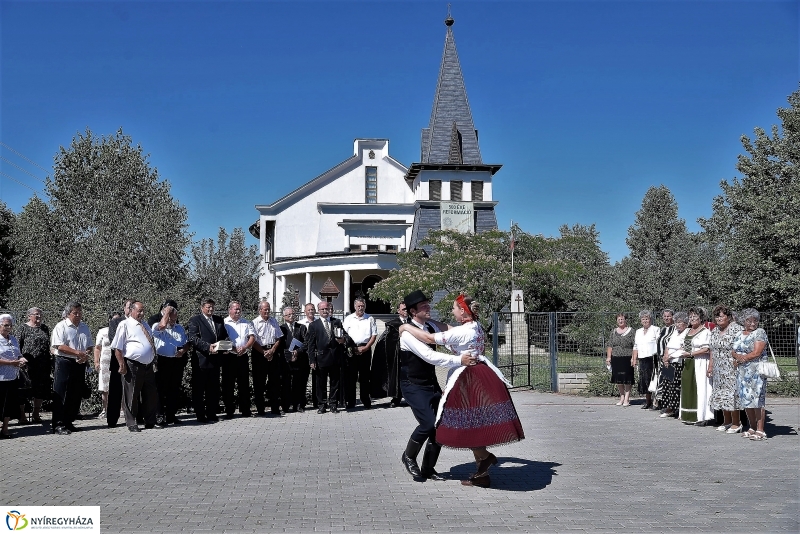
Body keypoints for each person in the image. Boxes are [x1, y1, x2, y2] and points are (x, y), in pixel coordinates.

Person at [400, 293, 524, 488]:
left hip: (460, 378)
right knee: (435, 423)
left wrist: (407, 323)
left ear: (464, 314)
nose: (429, 307)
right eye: (424, 306)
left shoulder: (432, 328)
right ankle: (408, 457)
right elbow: (430, 355)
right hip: (414, 384)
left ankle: (441, 468)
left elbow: (435, 335)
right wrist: (407, 327)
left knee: (460, 421)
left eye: (454, 309)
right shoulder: (409, 334)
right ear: (413, 311)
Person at [111, 301, 161, 432]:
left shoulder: (144, 324)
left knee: (151, 394)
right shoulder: (124, 324)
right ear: (132, 310)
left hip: (148, 365)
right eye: (139, 311)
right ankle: (132, 422)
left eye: (143, 310)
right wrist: (122, 364)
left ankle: (150, 421)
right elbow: (117, 347)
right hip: (132, 364)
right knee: (131, 394)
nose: (142, 313)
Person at [50, 301, 93, 435]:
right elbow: (59, 346)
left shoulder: (84, 327)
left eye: (80, 312)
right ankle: (58, 424)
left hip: (80, 362)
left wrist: (86, 355)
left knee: (75, 393)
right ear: (68, 314)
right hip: (64, 361)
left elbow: (90, 345)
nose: (79, 315)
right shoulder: (61, 326)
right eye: (76, 313)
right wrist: (77, 353)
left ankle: (69, 421)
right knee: (62, 393)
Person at [186, 298, 229, 423]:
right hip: (201, 360)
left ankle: (212, 413)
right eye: (208, 307)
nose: (210, 309)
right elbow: (193, 338)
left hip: (215, 360)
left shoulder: (218, 320)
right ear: (202, 307)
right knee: (199, 388)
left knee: (213, 388)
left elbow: (224, 335)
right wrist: (208, 347)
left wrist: (226, 345)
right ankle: (200, 415)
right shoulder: (195, 320)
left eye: (212, 307)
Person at [732, 308, 770, 440]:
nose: (753, 323)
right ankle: (752, 427)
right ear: (744, 321)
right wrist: (736, 357)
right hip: (742, 372)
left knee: (757, 400)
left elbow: (757, 352)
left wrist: (742, 359)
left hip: (756, 372)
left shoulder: (760, 332)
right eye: (749, 320)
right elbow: (733, 350)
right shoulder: (739, 334)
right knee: (746, 400)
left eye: (755, 320)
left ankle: (761, 430)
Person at [708, 305, 745, 433]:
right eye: (717, 316)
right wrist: (711, 365)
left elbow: (743, 346)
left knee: (732, 394)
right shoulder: (715, 331)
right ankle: (727, 421)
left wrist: (739, 359)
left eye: (721, 315)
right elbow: (712, 349)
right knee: (721, 394)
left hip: (732, 367)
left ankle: (737, 423)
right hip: (719, 368)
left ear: (728, 317)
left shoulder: (737, 329)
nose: (719, 318)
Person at [152, 305, 189, 425]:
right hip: (162, 361)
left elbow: (186, 343)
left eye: (175, 319)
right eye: (170, 319)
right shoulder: (158, 326)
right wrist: (166, 313)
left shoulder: (179, 328)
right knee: (160, 390)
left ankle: (171, 415)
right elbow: (162, 326)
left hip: (176, 361)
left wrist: (183, 351)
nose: (173, 322)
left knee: (173, 390)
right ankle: (159, 415)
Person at [306, 301, 345, 414]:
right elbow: (311, 344)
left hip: (335, 357)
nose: (324, 311)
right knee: (321, 383)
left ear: (329, 309)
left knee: (334, 382)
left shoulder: (336, 322)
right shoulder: (314, 325)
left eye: (326, 309)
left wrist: (343, 340)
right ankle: (322, 405)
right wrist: (312, 359)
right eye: (322, 309)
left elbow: (344, 335)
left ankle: (333, 404)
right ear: (318, 311)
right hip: (321, 358)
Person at [16, 307, 51, 424]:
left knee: (40, 389)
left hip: (42, 364)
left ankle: (36, 414)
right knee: (24, 390)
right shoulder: (23, 328)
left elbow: (48, 344)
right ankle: (22, 415)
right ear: (29, 316)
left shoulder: (44, 328)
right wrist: (19, 359)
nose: (39, 317)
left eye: (40, 314)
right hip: (27, 365)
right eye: (36, 314)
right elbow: (17, 346)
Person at [252, 300, 287, 416]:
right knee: (259, 383)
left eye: (268, 309)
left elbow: (279, 338)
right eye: (265, 309)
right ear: (260, 310)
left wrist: (272, 350)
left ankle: (275, 408)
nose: (267, 311)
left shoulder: (274, 321)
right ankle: (260, 409)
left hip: (272, 352)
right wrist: (263, 352)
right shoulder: (254, 323)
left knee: (275, 382)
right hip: (259, 353)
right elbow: (252, 341)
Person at [679, 307, 713, 425]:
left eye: (695, 316)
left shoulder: (705, 332)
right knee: (688, 388)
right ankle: (688, 415)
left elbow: (707, 348)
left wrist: (691, 353)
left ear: (701, 318)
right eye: (690, 316)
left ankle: (702, 417)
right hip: (688, 362)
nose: (692, 318)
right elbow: (683, 344)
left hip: (700, 362)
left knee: (700, 388)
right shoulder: (687, 331)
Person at [342, 297, 377, 410]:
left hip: (365, 350)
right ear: (355, 306)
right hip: (352, 350)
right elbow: (344, 335)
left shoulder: (370, 319)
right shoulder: (348, 319)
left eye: (362, 306)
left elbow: (374, 335)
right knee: (351, 377)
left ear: (365, 306)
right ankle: (351, 401)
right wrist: (352, 348)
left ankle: (365, 400)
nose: (360, 308)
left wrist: (366, 347)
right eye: (358, 306)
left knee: (365, 377)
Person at [222, 301, 256, 418]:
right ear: (229, 310)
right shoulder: (224, 323)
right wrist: (233, 348)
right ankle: (229, 410)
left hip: (243, 356)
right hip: (229, 356)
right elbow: (222, 339)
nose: (238, 311)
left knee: (244, 384)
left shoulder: (246, 322)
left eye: (239, 309)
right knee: (228, 384)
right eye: (235, 309)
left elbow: (252, 337)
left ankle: (245, 409)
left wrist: (245, 347)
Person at [370, 301, 407, 407]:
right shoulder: (392, 324)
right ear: (398, 311)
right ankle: (396, 398)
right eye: (403, 309)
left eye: (407, 309)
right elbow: (386, 341)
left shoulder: (413, 323)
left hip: (411, 357)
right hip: (397, 356)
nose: (406, 311)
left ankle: (410, 398)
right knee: (396, 376)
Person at [106, 298, 133, 428]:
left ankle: (135, 417)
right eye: (129, 307)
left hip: (135, 363)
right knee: (116, 391)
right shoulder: (115, 322)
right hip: (118, 361)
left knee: (134, 391)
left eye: (133, 307)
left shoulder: (140, 323)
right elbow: (113, 341)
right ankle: (112, 420)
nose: (130, 309)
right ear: (124, 308)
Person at [0, 314, 27, 439]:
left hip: (12, 377)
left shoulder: (13, 339)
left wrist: (21, 359)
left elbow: (18, 354)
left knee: (8, 405)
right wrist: (12, 363)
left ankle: (5, 429)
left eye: (10, 325)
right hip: (0, 377)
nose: (8, 328)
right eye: (6, 325)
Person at [659, 311, 689, 418]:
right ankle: (668, 407)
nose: (677, 324)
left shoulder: (687, 332)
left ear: (685, 323)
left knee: (675, 386)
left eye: (680, 322)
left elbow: (683, 348)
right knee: (667, 385)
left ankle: (675, 408)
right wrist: (665, 357)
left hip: (678, 362)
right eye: (676, 322)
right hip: (669, 362)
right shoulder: (675, 332)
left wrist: (671, 356)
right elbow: (668, 345)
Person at [280, 307, 309, 412]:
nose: (291, 316)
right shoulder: (281, 328)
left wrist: (298, 352)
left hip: (300, 359)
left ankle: (299, 405)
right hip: (286, 360)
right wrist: (288, 355)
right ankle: (286, 406)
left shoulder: (301, 327)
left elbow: (306, 342)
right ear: (284, 317)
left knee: (299, 383)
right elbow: (280, 345)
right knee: (286, 384)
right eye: (288, 315)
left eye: (293, 314)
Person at [94, 311, 122, 419]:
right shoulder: (102, 331)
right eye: (114, 319)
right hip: (105, 361)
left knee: (118, 386)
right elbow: (97, 347)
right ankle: (105, 409)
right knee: (105, 387)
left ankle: (121, 409)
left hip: (117, 360)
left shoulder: (122, 330)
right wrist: (96, 361)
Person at [632, 310, 660, 410]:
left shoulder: (655, 329)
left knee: (653, 380)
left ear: (650, 319)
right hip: (642, 358)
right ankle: (647, 401)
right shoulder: (638, 331)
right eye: (643, 319)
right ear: (640, 320)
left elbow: (659, 343)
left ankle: (656, 401)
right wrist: (634, 358)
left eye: (647, 319)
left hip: (652, 358)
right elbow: (636, 346)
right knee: (644, 380)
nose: (645, 321)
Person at [605, 314, 634, 407]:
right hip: (616, 357)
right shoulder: (613, 332)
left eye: (622, 319)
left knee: (627, 378)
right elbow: (610, 345)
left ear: (625, 320)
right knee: (619, 379)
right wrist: (609, 357)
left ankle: (627, 398)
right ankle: (621, 397)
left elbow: (635, 346)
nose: (620, 321)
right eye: (619, 319)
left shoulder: (631, 331)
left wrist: (634, 358)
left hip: (627, 357)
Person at [653, 309, 675, 411]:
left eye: (668, 316)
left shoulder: (674, 329)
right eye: (665, 316)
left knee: (668, 381)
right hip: (659, 359)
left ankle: (669, 405)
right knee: (660, 380)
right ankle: (660, 402)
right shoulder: (662, 329)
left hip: (669, 359)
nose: (666, 318)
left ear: (673, 317)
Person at [298, 303, 317, 408]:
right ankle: (302, 403)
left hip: (316, 354)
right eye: (308, 309)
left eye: (312, 309)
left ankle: (316, 401)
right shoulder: (300, 324)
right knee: (303, 379)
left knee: (317, 379)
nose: (311, 311)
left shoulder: (318, 323)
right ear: (305, 311)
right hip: (304, 355)